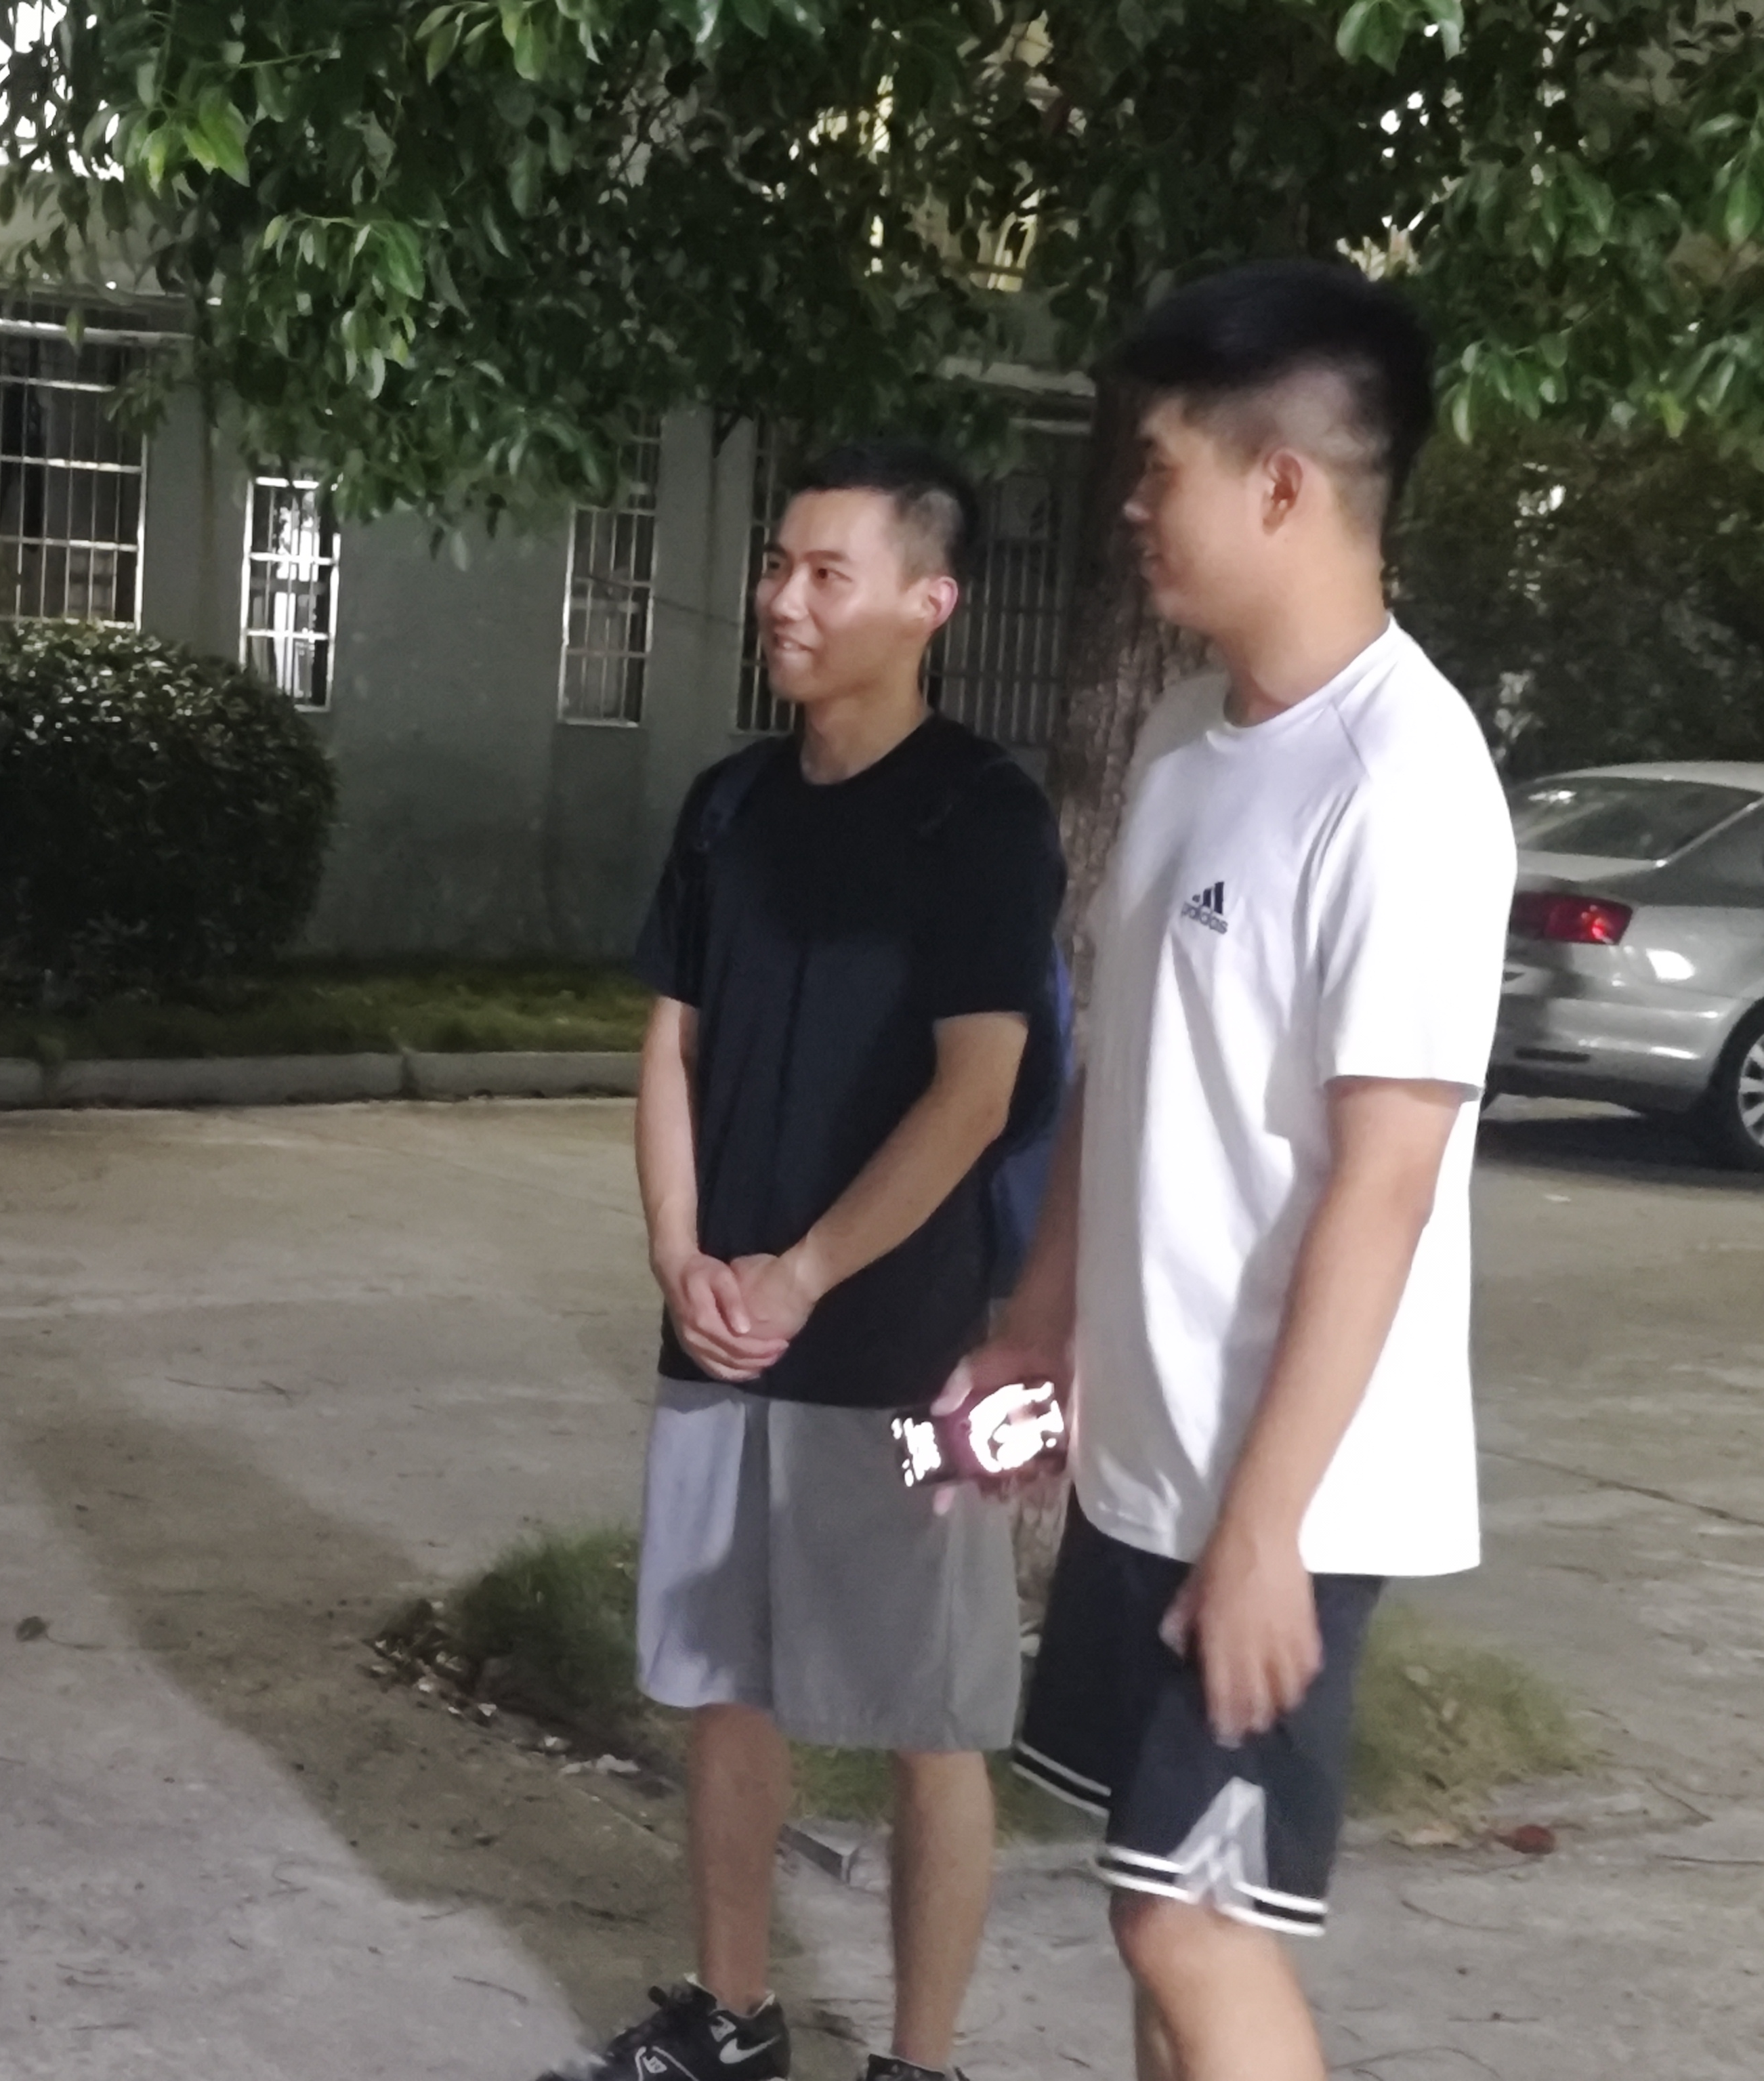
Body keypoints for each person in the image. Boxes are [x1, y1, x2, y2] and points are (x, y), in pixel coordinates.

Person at [969, 261, 1513, 2081]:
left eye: (1157, 467)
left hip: (1288, 1489)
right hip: (1152, 1459)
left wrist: (1268, 1529)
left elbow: (1386, 1182)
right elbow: (1127, 1075)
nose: (1129, 506)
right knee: (1156, 1904)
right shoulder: (1188, 740)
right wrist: (1036, 1329)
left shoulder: (1404, 781)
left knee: (1190, 1923)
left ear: (1279, 483)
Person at [552, 441, 1066, 2081]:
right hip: (719, 1334)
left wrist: (804, 1273)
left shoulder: (979, 816)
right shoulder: (727, 807)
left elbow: (974, 1089)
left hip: (914, 1355)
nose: (779, 599)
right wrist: (680, 1253)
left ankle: (918, 2058)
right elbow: (670, 1043)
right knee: (721, 1684)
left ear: (927, 602)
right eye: (777, 566)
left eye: (822, 573)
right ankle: (730, 2014)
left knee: (932, 1715)